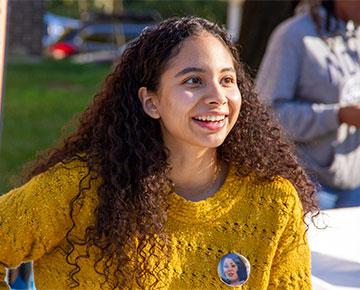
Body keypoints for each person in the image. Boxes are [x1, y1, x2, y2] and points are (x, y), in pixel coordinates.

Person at [0, 17, 317, 289]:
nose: (218, 97)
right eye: (194, 80)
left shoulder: (274, 203)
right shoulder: (76, 187)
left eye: (227, 80)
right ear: (151, 102)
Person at [256, 0, 360, 209]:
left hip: (354, 188)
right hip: (309, 189)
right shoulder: (292, 36)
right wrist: (338, 116)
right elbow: (266, 117)